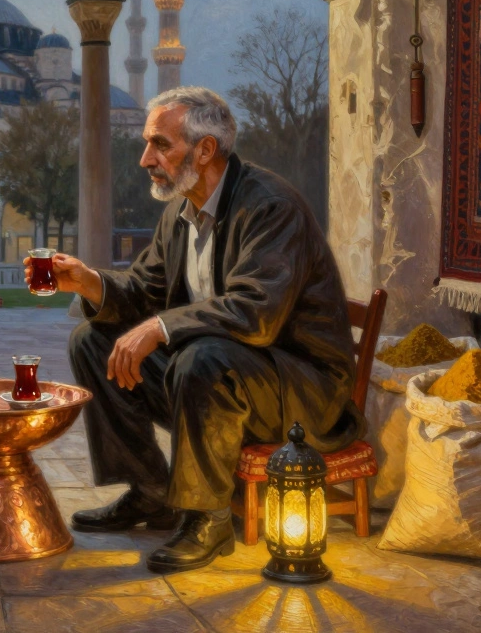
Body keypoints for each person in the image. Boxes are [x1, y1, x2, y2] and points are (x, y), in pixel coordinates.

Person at [27, 87, 360, 574]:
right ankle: (151, 492)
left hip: (303, 391)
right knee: (94, 341)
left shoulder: (270, 207)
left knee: (202, 357)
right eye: (147, 144)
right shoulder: (181, 213)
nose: (145, 159)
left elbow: (256, 312)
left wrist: (160, 329)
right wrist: (89, 281)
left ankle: (208, 519)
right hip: (227, 377)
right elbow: (144, 288)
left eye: (160, 144)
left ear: (205, 150)